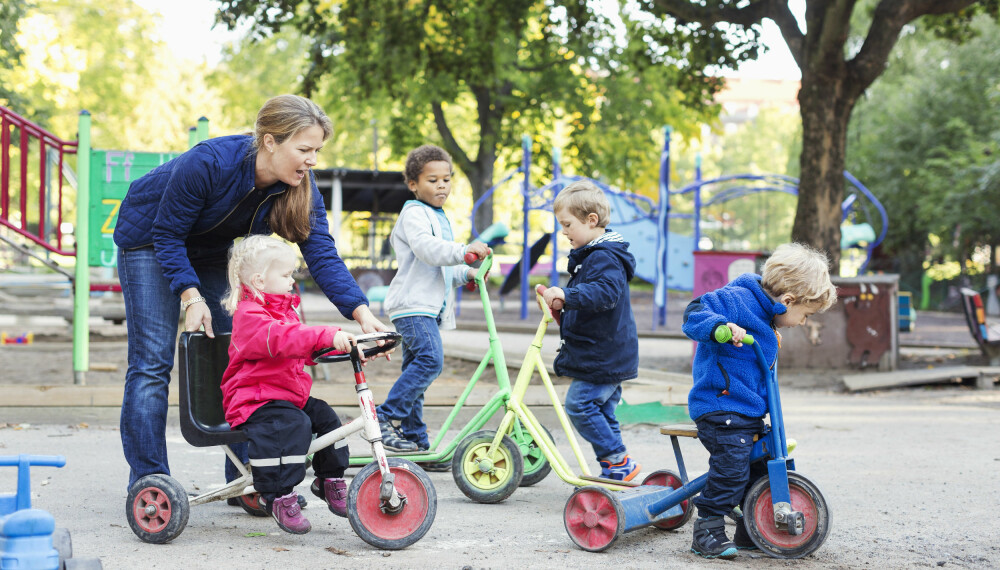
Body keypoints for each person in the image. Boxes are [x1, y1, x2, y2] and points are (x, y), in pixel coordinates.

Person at [113, 94, 389, 497]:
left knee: (241, 352)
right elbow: (168, 235)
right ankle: (149, 482)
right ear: (270, 141)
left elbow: (321, 251)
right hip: (151, 242)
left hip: (210, 250)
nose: (312, 160)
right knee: (152, 362)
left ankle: (245, 476)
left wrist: (360, 311)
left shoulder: (300, 184)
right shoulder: (210, 162)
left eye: (317, 150)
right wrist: (192, 298)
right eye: (304, 149)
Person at [680, 242, 837, 559]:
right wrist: (720, 327)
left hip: (746, 413)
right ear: (787, 301)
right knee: (732, 470)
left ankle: (752, 527)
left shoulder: (767, 320)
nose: (803, 322)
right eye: (804, 315)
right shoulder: (737, 300)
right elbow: (693, 313)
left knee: (761, 466)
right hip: (719, 407)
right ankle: (707, 529)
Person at [220, 235, 355, 534]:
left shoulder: (283, 311)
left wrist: (347, 346)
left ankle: (329, 478)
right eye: (285, 274)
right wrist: (325, 334)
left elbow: (305, 347)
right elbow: (283, 339)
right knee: (290, 424)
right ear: (259, 280)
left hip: (285, 395)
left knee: (326, 417)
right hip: (255, 400)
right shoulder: (250, 316)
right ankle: (279, 494)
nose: (292, 280)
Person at [375, 144, 489, 462]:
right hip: (412, 306)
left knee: (417, 370)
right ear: (413, 184)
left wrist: (466, 272)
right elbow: (428, 249)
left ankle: (415, 440)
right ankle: (385, 417)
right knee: (430, 361)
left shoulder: (439, 217)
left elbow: (442, 267)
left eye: (447, 180)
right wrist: (462, 250)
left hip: (426, 308)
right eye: (432, 180)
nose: (441, 186)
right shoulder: (414, 213)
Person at [538, 180, 641, 482]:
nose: (564, 231)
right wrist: (562, 307)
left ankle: (618, 460)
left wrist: (568, 296)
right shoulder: (594, 256)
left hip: (604, 355)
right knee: (603, 411)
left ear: (591, 220)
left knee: (579, 405)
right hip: (606, 352)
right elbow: (591, 303)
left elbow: (604, 294)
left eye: (568, 224)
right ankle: (616, 469)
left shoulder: (604, 257)